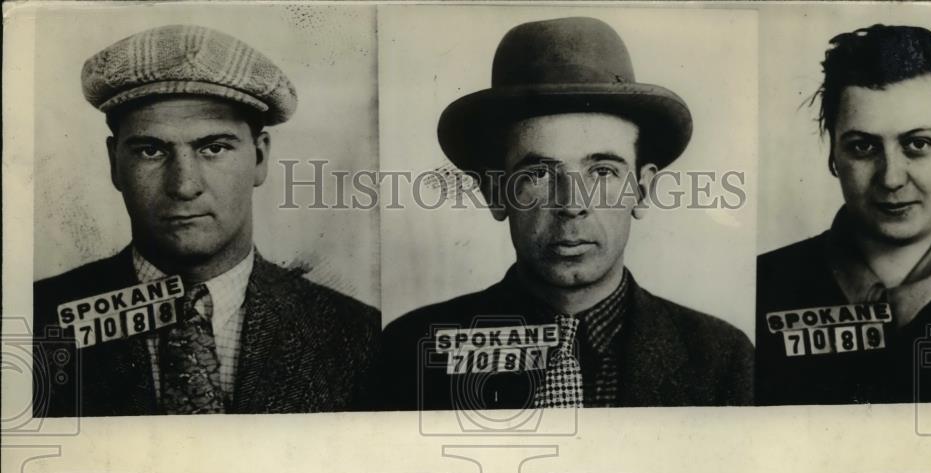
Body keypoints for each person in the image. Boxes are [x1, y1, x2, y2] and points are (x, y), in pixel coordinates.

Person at [377, 16, 753, 411]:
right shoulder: (410, 351)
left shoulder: (724, 360)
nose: (572, 204)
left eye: (603, 171)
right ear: (495, 192)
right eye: (538, 173)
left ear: (642, 189)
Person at [33, 24, 379, 417]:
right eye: (150, 151)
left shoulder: (357, 334)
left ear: (260, 158)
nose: (183, 186)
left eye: (213, 148)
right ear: (114, 164)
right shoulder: (31, 321)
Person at [755, 24, 931, 405]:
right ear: (832, 152)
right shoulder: (761, 285)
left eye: (918, 144)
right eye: (863, 147)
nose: (892, 178)